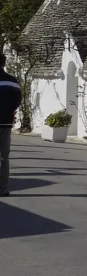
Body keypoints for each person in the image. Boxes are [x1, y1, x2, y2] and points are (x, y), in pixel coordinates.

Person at [0, 53, 22, 197]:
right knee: (4, 158)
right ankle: (3, 188)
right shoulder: (13, 82)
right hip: (6, 122)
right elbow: (17, 102)